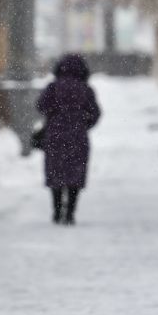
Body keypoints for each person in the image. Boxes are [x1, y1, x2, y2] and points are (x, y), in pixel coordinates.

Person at [36, 53, 101, 225]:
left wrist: (55, 116)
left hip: (54, 136)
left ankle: (57, 211)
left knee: (56, 173)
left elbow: (41, 106)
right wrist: (83, 124)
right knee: (75, 175)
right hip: (78, 137)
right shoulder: (86, 90)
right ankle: (70, 212)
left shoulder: (53, 87)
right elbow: (95, 113)